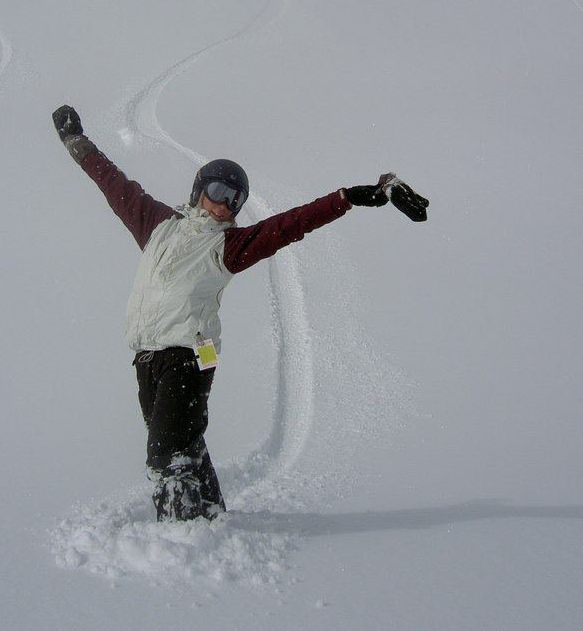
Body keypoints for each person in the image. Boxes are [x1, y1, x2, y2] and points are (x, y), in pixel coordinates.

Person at [52, 104, 428, 522]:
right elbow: (113, 183)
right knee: (185, 445)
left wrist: (351, 197)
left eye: (234, 200)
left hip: (189, 357)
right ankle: (212, 521)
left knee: (166, 455)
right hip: (147, 357)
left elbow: (291, 223)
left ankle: (178, 540)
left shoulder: (227, 246)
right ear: (199, 190)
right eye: (217, 192)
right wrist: (76, 142)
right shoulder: (156, 224)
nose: (223, 205)